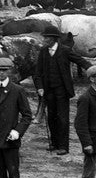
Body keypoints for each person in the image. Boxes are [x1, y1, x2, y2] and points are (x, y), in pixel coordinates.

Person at [35, 24, 90, 155]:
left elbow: (80, 60)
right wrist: (40, 87)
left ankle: (63, 146)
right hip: (48, 90)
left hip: (62, 90)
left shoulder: (65, 50)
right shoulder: (43, 52)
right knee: (51, 117)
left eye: (46, 38)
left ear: (53, 39)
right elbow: (37, 73)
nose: (44, 40)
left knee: (63, 118)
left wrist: (92, 69)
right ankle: (54, 144)